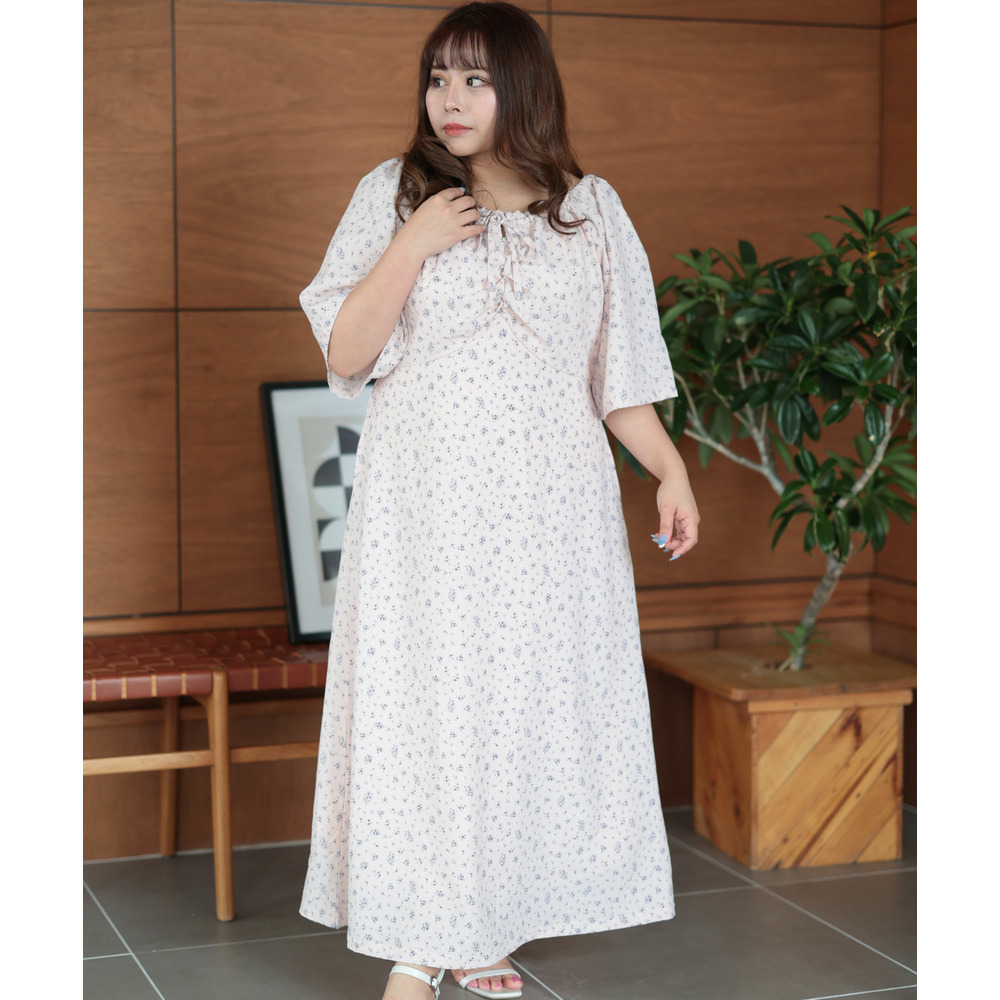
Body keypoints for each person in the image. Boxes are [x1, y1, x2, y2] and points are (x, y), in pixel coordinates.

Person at [297, 4, 700, 998]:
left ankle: (480, 931)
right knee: (428, 714)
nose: (451, 97)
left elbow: (616, 376)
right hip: (426, 511)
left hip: (552, 516)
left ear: (523, 85)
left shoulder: (590, 209)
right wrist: (413, 243)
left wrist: (670, 471)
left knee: (524, 717)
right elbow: (346, 352)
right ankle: (418, 939)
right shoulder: (394, 193)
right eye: (439, 76)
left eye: (475, 78)